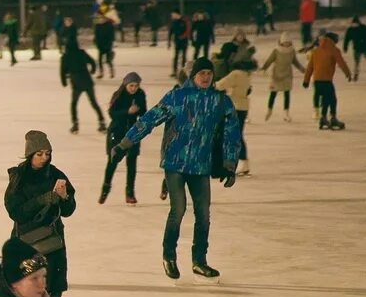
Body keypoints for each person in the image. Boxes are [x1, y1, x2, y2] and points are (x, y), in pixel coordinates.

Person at [116, 57, 242, 280]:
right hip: (175, 162)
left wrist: (230, 164)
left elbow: (232, 134)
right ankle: (169, 256)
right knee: (179, 209)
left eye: (208, 73)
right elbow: (149, 120)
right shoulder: (177, 97)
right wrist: (125, 143)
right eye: (201, 73)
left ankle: (199, 261)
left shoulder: (220, 101)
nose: (205, 77)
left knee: (203, 214)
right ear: (192, 76)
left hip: (201, 165)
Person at [5, 130, 76, 297]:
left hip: (53, 244)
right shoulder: (19, 178)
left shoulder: (56, 175)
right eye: (39, 154)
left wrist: (64, 197)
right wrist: (45, 199)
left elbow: (69, 210)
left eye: (47, 153)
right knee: (27, 293)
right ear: (30, 155)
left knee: (53, 290)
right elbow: (16, 211)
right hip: (27, 244)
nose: (44, 158)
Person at [100, 73, 147, 204]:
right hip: (116, 132)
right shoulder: (119, 94)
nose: (134, 88)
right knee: (112, 162)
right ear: (126, 84)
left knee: (132, 163)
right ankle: (105, 188)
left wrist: (138, 112)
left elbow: (144, 112)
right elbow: (112, 113)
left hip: (133, 133)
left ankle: (130, 193)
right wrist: (127, 111)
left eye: (136, 86)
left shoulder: (140, 95)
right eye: (131, 85)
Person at [216, 50, 253, 176]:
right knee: (236, 134)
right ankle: (241, 162)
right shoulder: (247, 75)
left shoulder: (235, 74)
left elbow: (220, 85)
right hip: (243, 107)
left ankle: (238, 162)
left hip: (234, 107)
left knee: (233, 135)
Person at [303, 32, 352, 130]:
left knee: (326, 99)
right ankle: (333, 118)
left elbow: (310, 67)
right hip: (326, 80)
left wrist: (306, 80)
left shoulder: (316, 51)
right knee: (332, 99)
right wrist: (348, 73)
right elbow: (341, 62)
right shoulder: (334, 50)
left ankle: (323, 118)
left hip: (317, 80)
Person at [60, 42, 106, 135]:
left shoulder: (65, 56)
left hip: (76, 82)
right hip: (87, 80)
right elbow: (92, 61)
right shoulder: (81, 53)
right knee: (93, 102)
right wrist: (92, 70)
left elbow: (62, 70)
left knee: (74, 103)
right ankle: (102, 122)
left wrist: (64, 81)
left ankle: (75, 124)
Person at [260, 33, 305, 121]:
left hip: (287, 75)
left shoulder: (291, 51)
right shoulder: (276, 51)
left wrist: (302, 69)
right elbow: (269, 60)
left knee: (287, 94)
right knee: (273, 94)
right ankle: (269, 111)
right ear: (281, 42)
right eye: (284, 42)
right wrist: (264, 68)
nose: (286, 44)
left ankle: (286, 113)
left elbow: (295, 61)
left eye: (288, 42)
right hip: (276, 75)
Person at [93, 9, 117, 78]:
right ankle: (101, 73)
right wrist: (96, 42)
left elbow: (111, 36)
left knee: (108, 60)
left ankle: (111, 71)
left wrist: (110, 44)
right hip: (100, 45)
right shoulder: (97, 26)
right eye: (99, 18)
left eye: (101, 18)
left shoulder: (109, 25)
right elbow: (96, 35)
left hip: (107, 45)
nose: (100, 19)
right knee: (100, 60)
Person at [168, 10, 190, 77]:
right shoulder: (173, 22)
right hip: (177, 42)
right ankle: (174, 71)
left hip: (184, 41)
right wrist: (169, 41)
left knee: (183, 56)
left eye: (173, 14)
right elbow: (171, 32)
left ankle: (183, 72)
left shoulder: (184, 20)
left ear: (176, 14)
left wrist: (182, 36)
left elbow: (188, 30)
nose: (172, 16)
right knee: (176, 56)